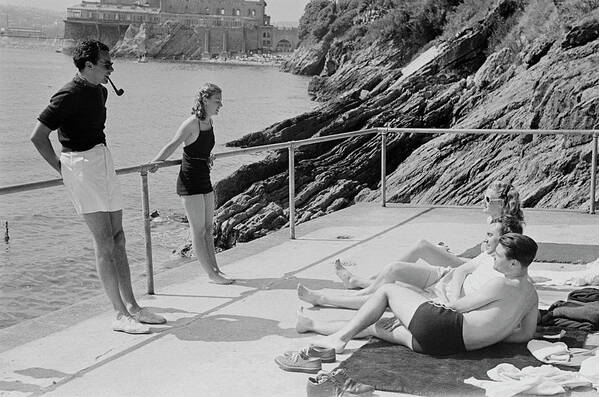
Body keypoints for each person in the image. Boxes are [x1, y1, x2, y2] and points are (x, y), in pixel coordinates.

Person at [30, 39, 165, 334]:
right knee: (104, 242)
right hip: (79, 166)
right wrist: (61, 169)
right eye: (106, 64)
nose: (111, 68)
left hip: (102, 160)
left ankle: (133, 307)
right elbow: (38, 136)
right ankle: (119, 315)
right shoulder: (66, 94)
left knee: (119, 238)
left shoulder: (101, 91)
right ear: (88, 65)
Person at [309, 233, 539, 356]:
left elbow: (456, 308)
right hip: (445, 346)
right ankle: (310, 323)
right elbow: (524, 334)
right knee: (378, 325)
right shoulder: (532, 295)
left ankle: (339, 339)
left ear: (514, 264)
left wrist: (434, 301)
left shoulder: (501, 285)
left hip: (443, 326)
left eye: (498, 256)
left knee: (389, 290)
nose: (493, 257)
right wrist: (489, 336)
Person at [298, 215, 523, 309]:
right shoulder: (488, 255)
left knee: (387, 293)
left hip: (443, 291)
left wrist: (450, 300)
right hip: (444, 277)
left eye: (490, 236)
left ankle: (326, 298)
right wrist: (453, 285)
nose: (485, 239)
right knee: (394, 269)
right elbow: (463, 269)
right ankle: (361, 285)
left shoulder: (507, 272)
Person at [332, 180, 524, 291]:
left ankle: (365, 281)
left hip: (472, 271)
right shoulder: (499, 222)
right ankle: (369, 279)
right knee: (423, 247)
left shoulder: (506, 229)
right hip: (472, 266)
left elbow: (504, 265)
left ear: (501, 203)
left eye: (488, 199)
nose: (483, 202)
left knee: (422, 246)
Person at [149, 83, 233, 285]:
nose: (220, 104)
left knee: (209, 228)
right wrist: (155, 163)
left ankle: (217, 269)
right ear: (205, 100)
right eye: (217, 101)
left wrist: (207, 156)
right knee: (198, 230)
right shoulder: (191, 123)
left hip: (205, 177)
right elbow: (173, 144)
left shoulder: (210, 122)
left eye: (221, 101)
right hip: (190, 181)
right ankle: (211, 275)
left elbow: (201, 148)